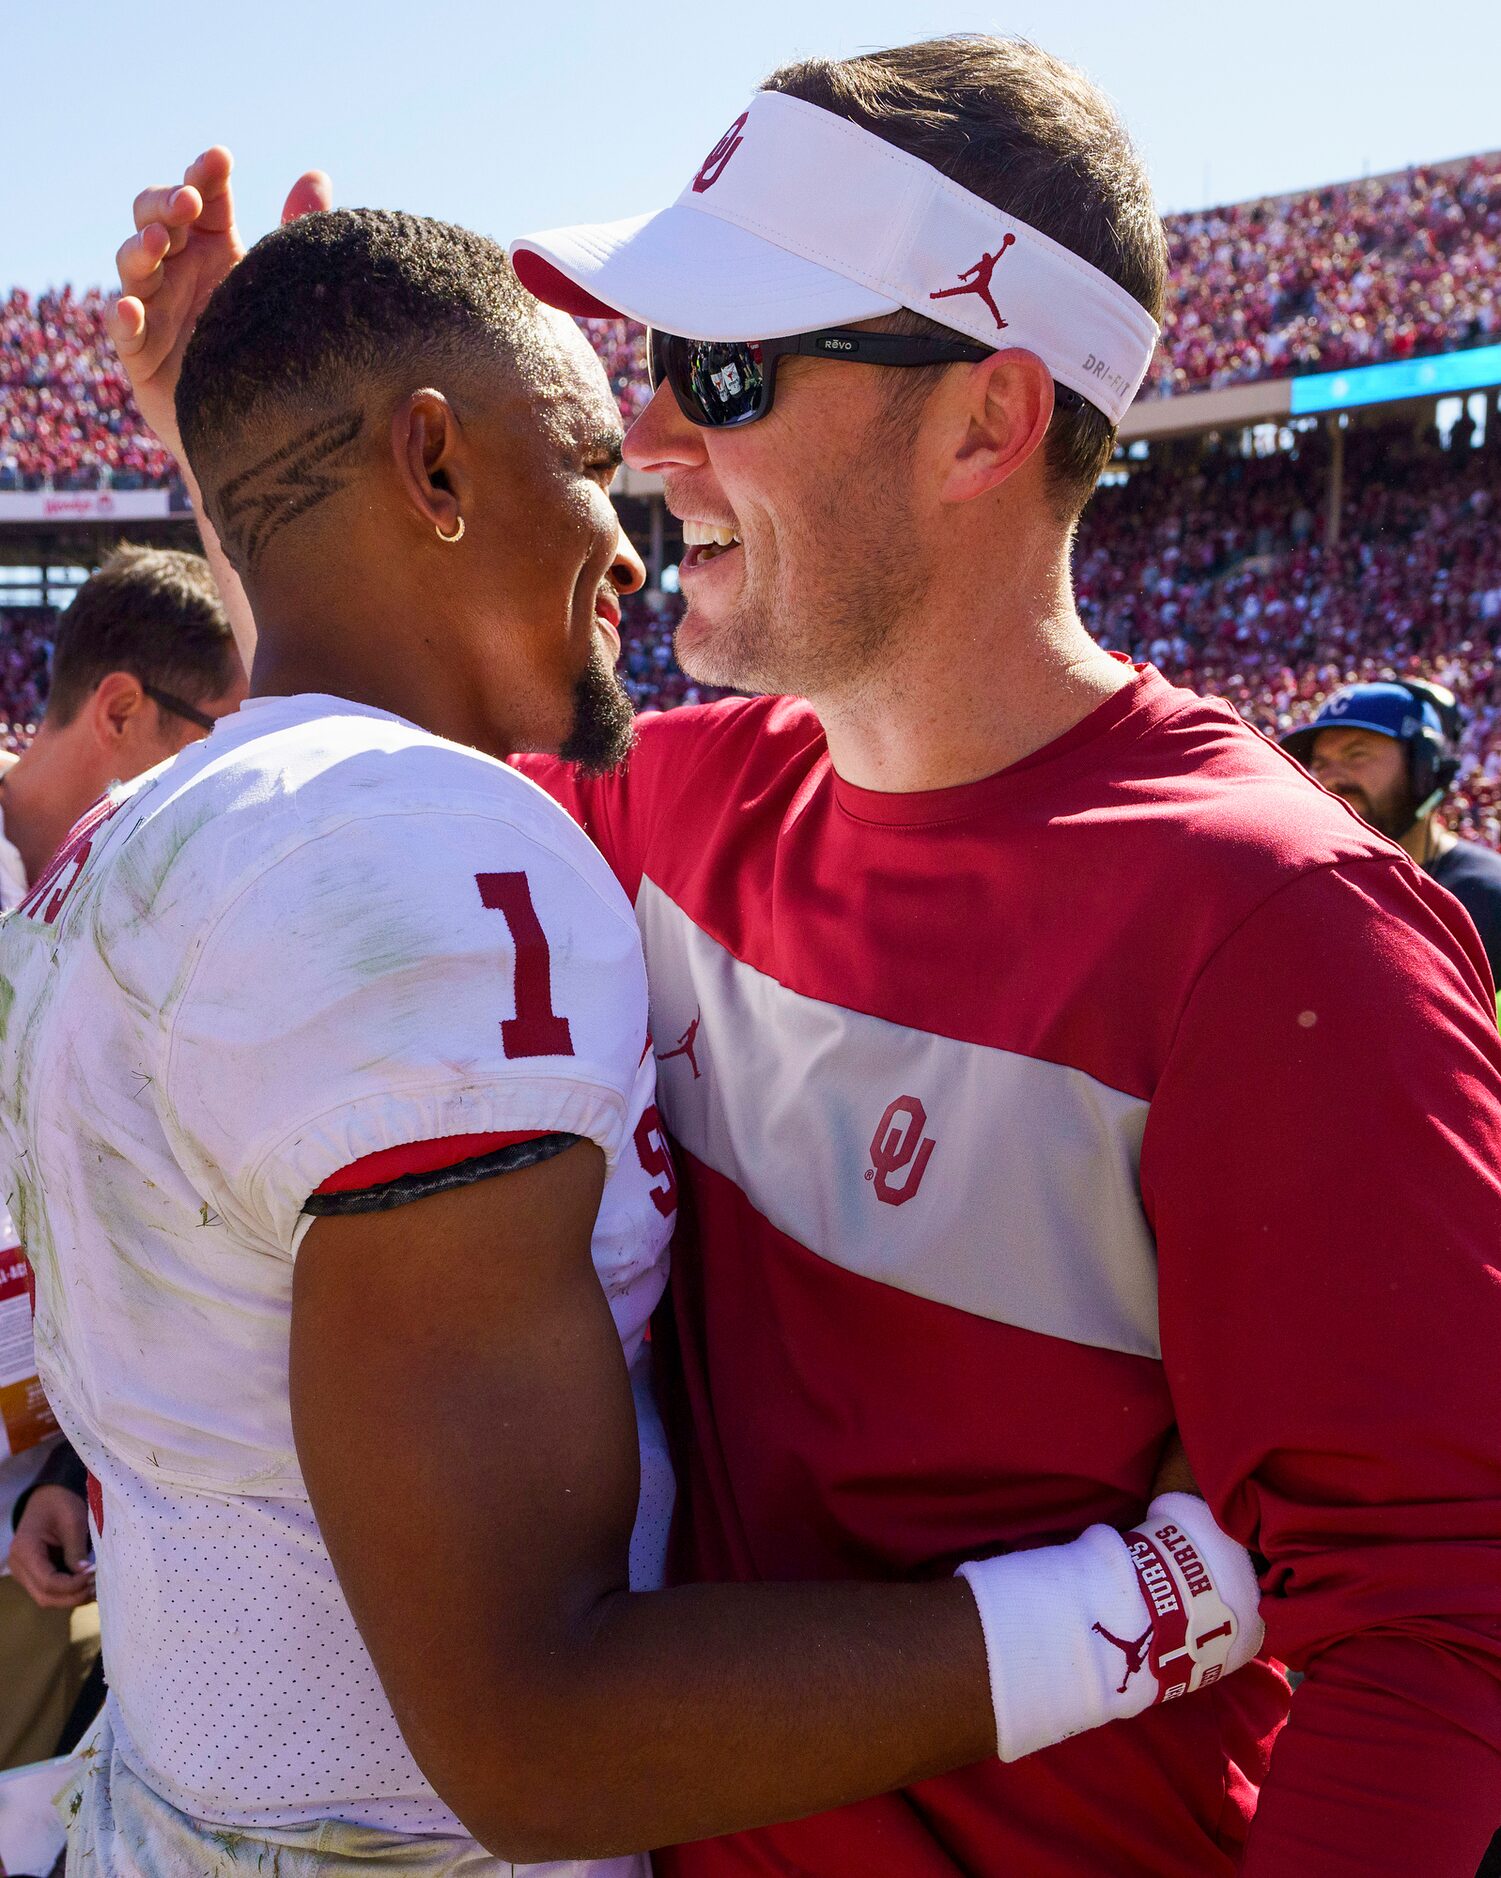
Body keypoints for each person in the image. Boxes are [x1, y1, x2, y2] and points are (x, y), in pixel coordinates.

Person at [111, 42, 1501, 1874]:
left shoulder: (1274, 932)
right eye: (658, 365)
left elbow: (1422, 1647)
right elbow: (370, 699)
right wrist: (260, 460)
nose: (653, 441)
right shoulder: (663, 808)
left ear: (988, 421)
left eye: (726, 371)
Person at [0, 544, 245, 1772]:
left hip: (42, 1524)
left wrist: (45, 1465)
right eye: (222, 743)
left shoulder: (144, 908)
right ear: (120, 710)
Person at [1281, 678, 1501, 993]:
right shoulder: (1304, 888)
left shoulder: (1493, 898)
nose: (1331, 780)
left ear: (1423, 769)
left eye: (1356, 754)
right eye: (1320, 764)